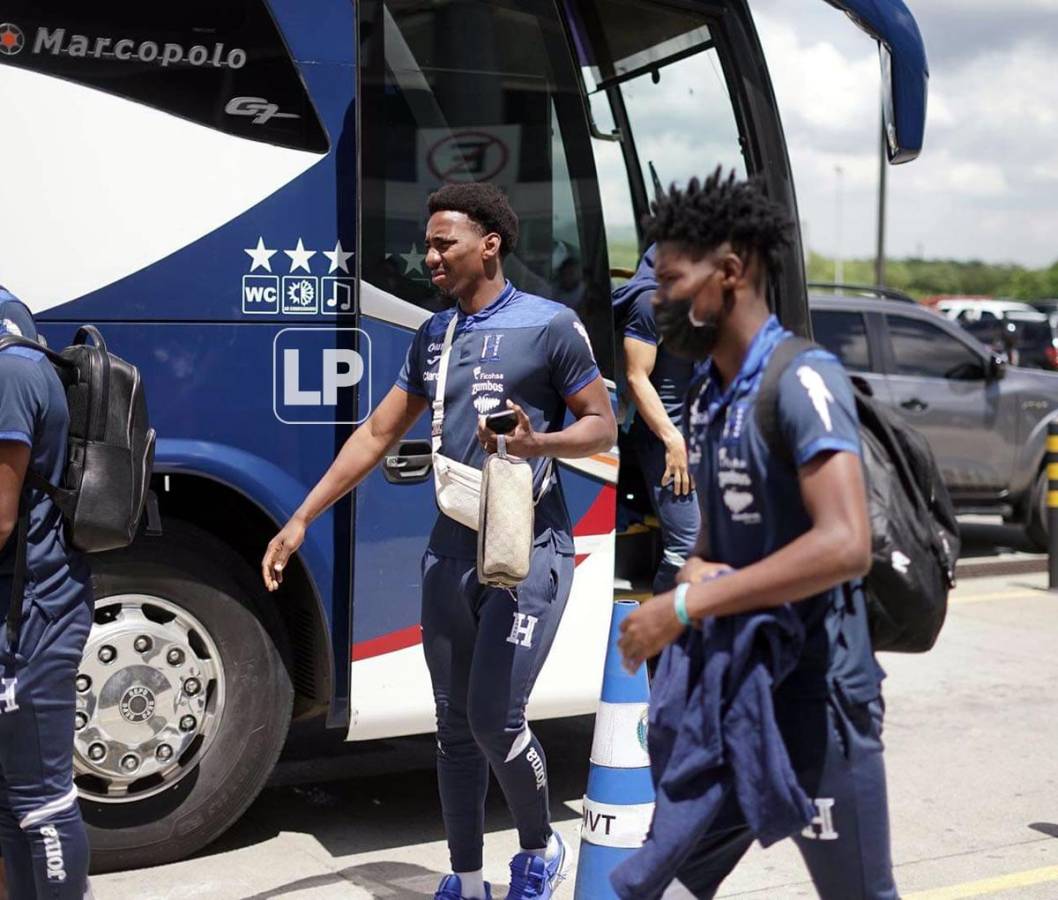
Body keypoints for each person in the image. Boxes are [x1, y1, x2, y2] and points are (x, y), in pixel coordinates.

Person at [262, 183, 616, 900]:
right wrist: (301, 518)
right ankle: (466, 877)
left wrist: (536, 439)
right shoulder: (434, 334)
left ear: (490, 243)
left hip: (528, 552)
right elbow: (376, 433)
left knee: (494, 718)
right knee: (453, 727)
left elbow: (602, 425)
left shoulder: (549, 326)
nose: (429, 257)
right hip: (449, 551)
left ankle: (541, 852)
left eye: (443, 243)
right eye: (427, 244)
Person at [616, 171, 897, 899]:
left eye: (672, 278)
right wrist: (692, 574)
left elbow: (845, 544)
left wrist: (684, 609)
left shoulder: (802, 379)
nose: (657, 298)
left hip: (815, 700)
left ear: (730, 274)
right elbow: (714, 547)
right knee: (655, 884)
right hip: (734, 695)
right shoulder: (711, 395)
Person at [0, 290, 95, 899]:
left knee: (40, 801)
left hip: (32, 612)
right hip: (26, 604)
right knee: (11, 799)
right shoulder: (20, 347)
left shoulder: (9, 371)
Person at [613, 246, 701, 593]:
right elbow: (636, 378)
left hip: (691, 437)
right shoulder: (651, 302)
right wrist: (673, 440)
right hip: (664, 442)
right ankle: (661, 643)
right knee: (688, 545)